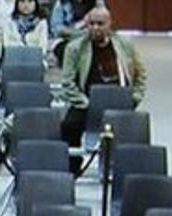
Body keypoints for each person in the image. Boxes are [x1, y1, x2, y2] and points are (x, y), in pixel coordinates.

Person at [59, 6, 146, 173]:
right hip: (86, 103)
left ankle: (124, 170)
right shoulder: (75, 48)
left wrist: (135, 98)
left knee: (136, 128)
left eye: (100, 24)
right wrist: (85, 103)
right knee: (68, 126)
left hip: (119, 103)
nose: (95, 28)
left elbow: (141, 75)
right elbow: (68, 82)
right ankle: (72, 168)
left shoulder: (125, 45)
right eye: (91, 23)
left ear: (109, 24)